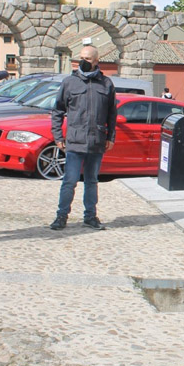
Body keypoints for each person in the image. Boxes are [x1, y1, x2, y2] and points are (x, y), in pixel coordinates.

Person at [49, 46, 116, 231]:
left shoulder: (106, 84)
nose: (82, 61)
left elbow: (112, 113)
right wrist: (57, 135)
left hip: (96, 141)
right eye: (81, 57)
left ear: (96, 60)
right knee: (69, 181)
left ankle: (90, 216)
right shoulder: (70, 83)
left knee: (92, 181)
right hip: (75, 141)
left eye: (86, 58)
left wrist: (111, 136)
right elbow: (57, 111)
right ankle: (61, 216)